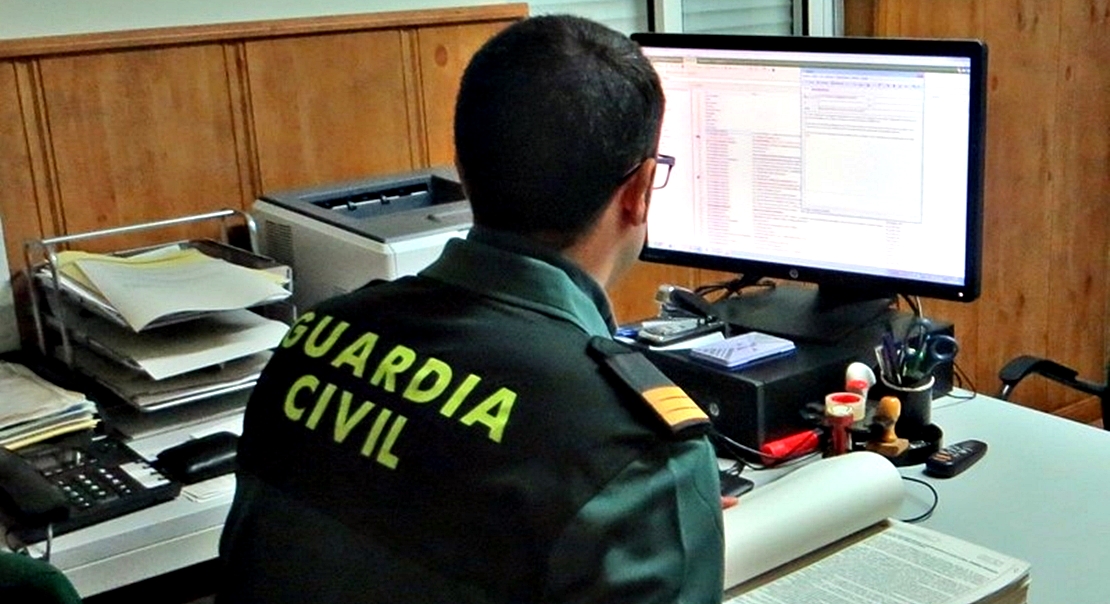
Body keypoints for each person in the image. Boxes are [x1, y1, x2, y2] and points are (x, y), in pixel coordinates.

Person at [216, 14, 725, 604]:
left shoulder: (313, 341)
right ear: (637, 192)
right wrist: (669, 512)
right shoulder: (634, 450)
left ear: (463, 172)